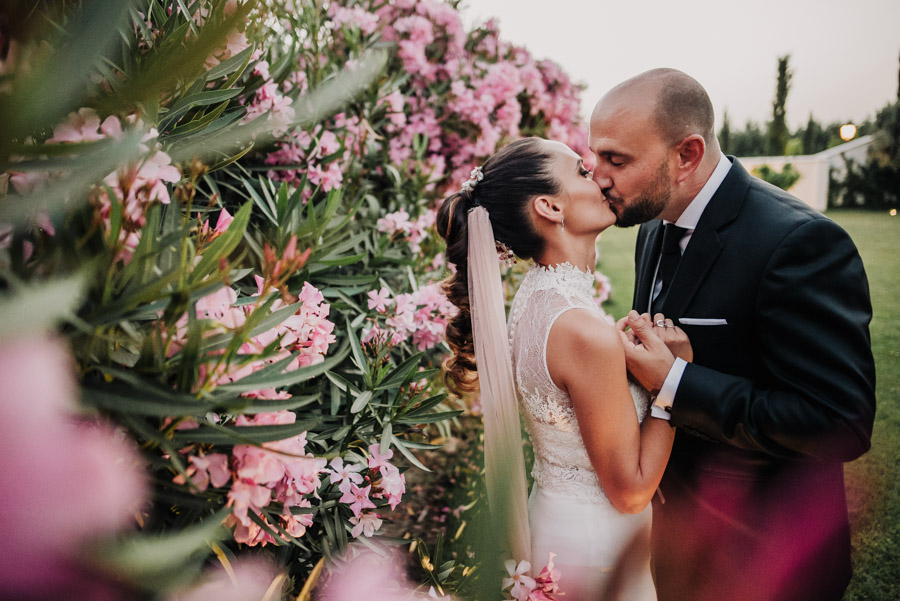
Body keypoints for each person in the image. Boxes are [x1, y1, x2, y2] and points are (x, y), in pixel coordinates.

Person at [588, 68, 877, 601]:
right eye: (594, 156)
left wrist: (675, 382)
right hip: (675, 541)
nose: (595, 175)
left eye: (616, 160)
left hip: (768, 558)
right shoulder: (652, 225)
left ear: (687, 155)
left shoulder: (798, 243)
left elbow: (840, 422)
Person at [436, 137, 688, 600]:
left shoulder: (535, 297)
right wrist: (672, 378)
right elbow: (631, 493)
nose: (601, 179)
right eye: (582, 171)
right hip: (596, 552)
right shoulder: (581, 329)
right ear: (550, 207)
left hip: (555, 526)